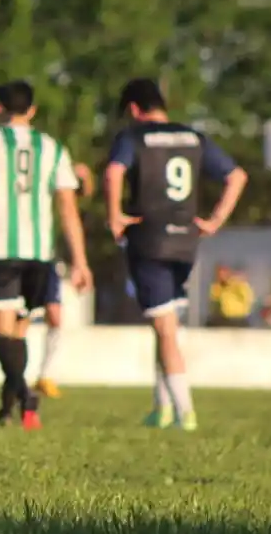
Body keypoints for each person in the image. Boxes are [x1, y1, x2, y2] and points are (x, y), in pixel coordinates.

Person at [104, 77, 247, 432]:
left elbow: (113, 171)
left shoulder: (133, 137)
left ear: (134, 109)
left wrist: (114, 215)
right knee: (166, 326)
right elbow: (237, 176)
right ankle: (161, 407)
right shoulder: (192, 136)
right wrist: (214, 220)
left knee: (165, 328)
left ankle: (186, 413)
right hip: (186, 242)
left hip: (149, 238)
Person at [0, 80, 92, 430]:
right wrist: (80, 260)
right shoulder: (53, 148)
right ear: (32, 110)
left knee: (2, 334)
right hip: (38, 254)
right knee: (18, 332)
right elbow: (68, 208)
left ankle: (24, 393)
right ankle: (8, 409)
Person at [33, 161, 95, 399]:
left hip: (51, 261)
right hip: (31, 254)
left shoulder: (68, 206)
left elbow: (84, 195)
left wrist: (86, 177)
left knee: (56, 317)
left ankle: (45, 375)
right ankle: (17, 375)